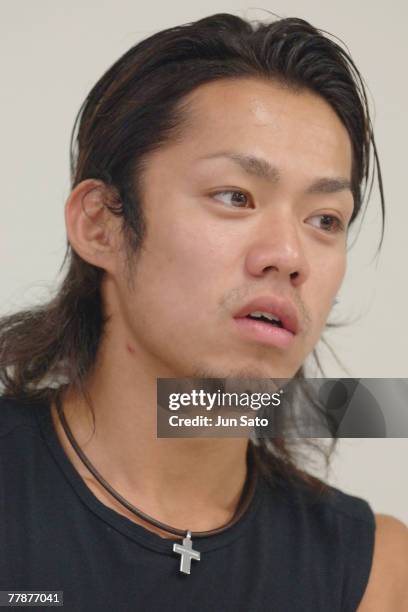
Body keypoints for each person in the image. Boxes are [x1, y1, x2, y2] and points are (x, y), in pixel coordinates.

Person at [0, 12, 407, 612]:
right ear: (101, 223)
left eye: (325, 220)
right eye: (235, 197)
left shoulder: (377, 572)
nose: (289, 256)